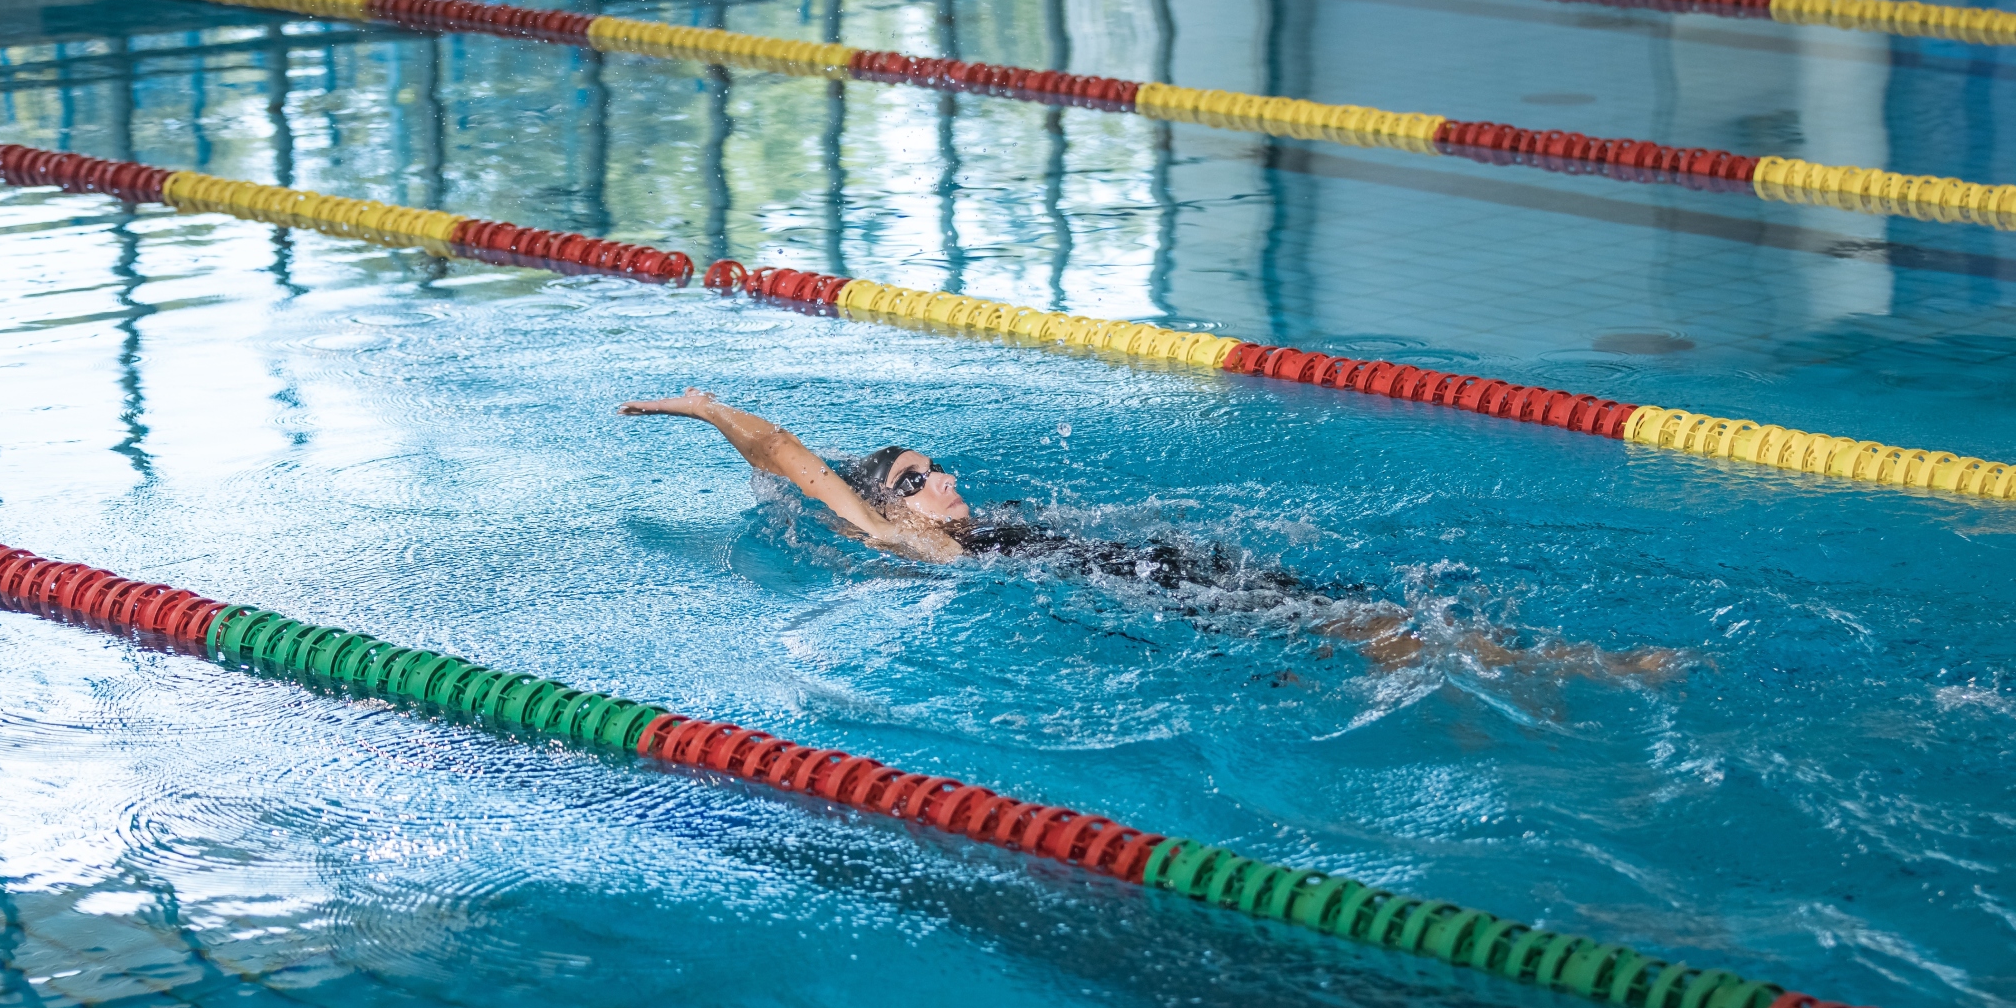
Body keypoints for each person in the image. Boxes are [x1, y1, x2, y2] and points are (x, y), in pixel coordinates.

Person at [618, 389, 1682, 680]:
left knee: (1357, 629)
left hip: (1176, 573)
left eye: (934, 467)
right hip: (1163, 596)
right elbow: (796, 464)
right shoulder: (925, 550)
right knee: (1373, 629)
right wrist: (717, 413)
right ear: (888, 514)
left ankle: (1484, 678)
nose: (943, 480)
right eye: (914, 480)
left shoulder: (1017, 530)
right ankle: (1587, 669)